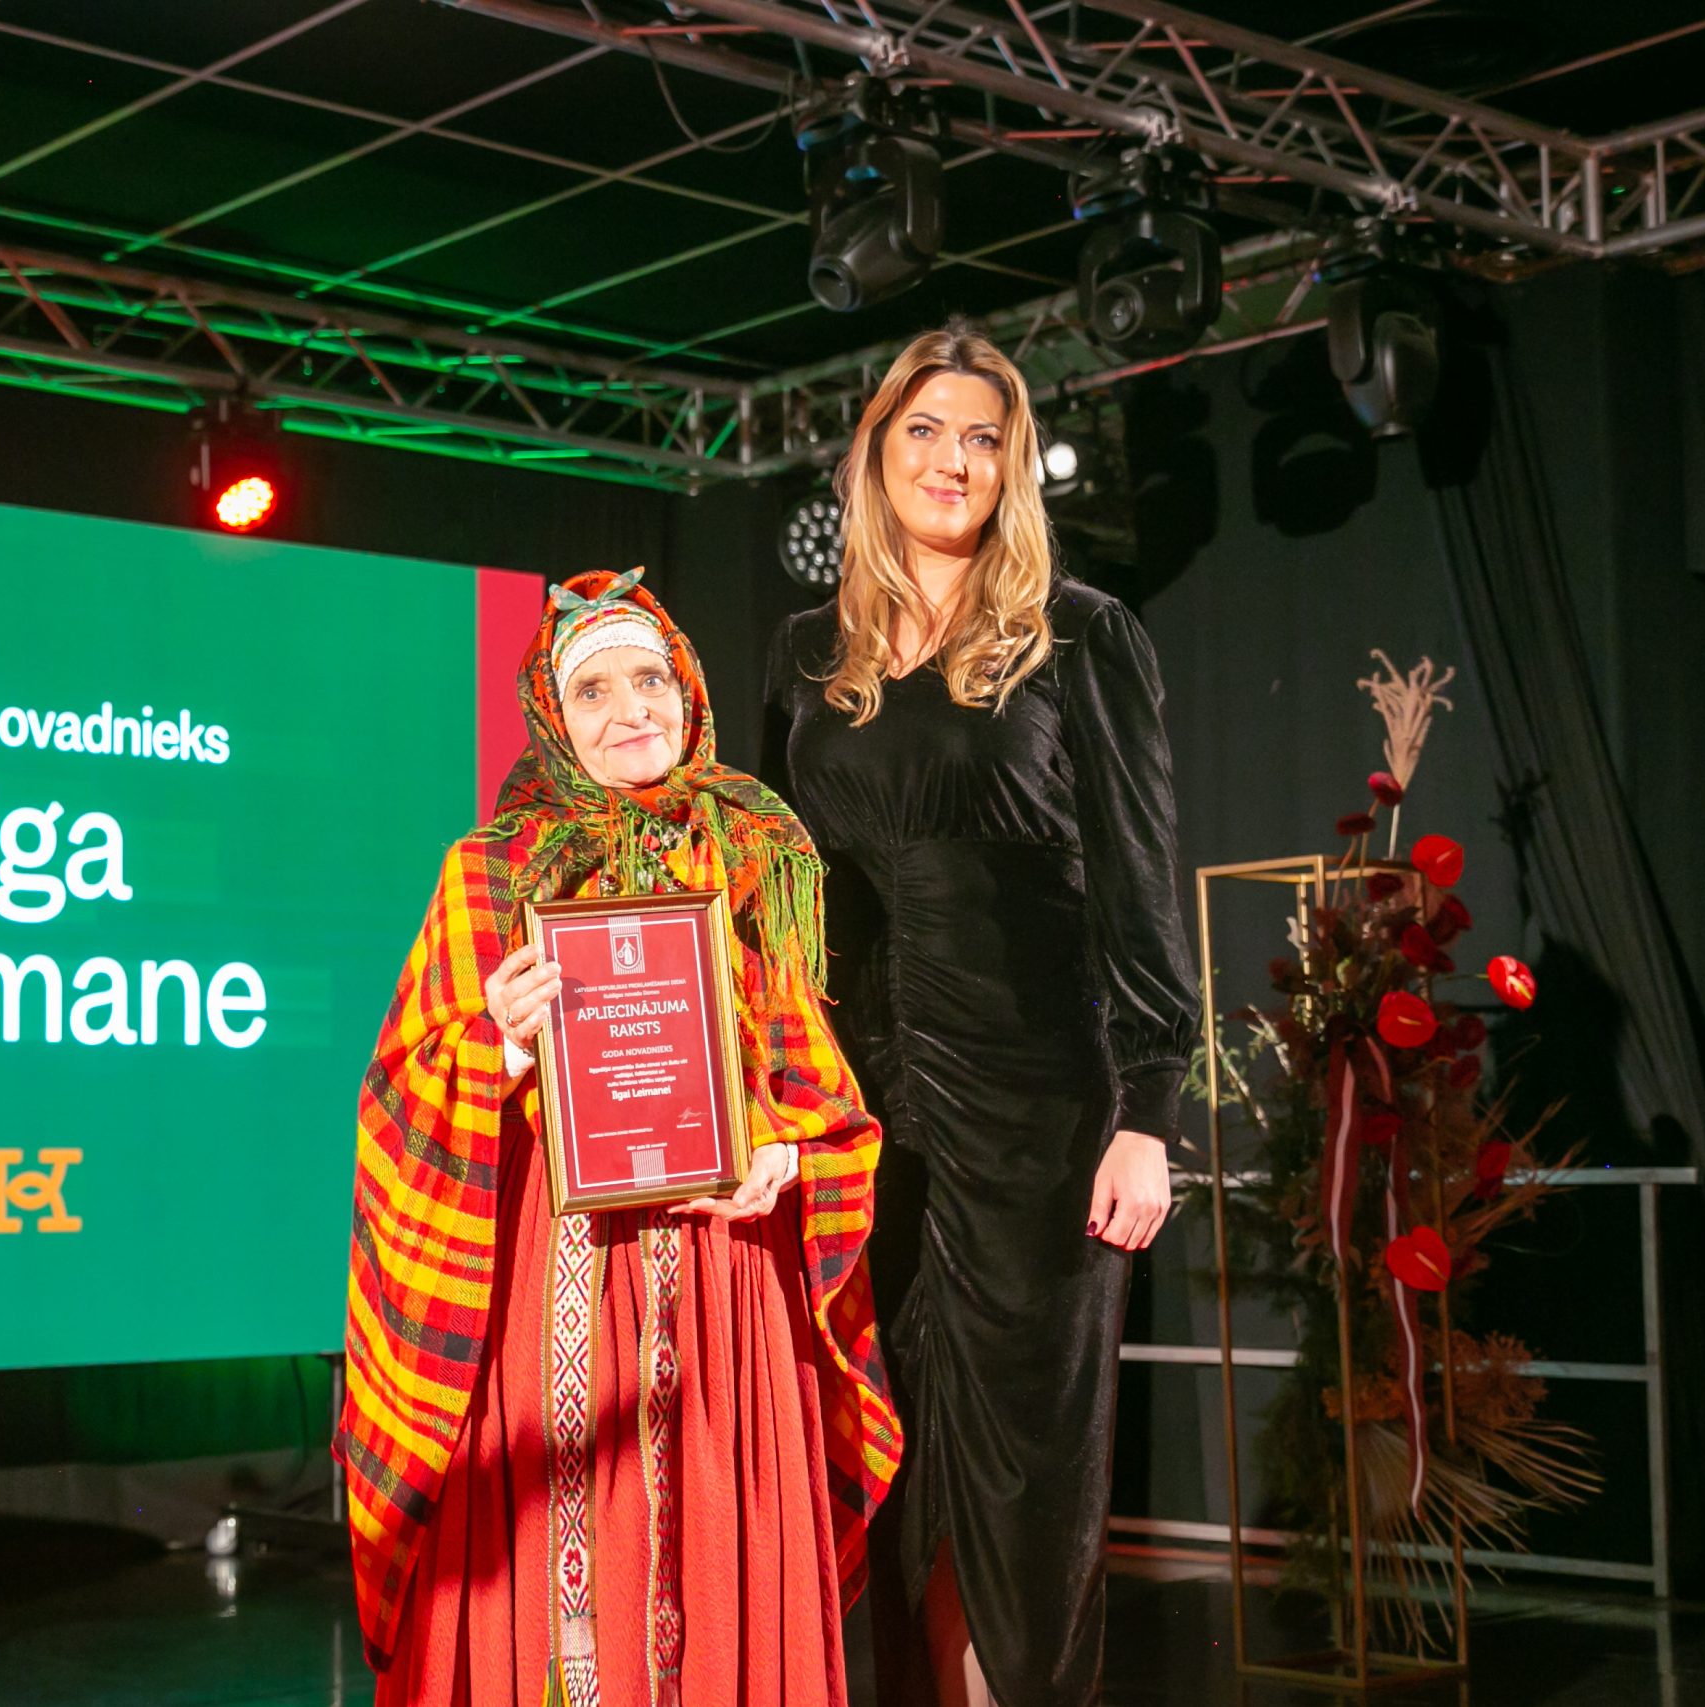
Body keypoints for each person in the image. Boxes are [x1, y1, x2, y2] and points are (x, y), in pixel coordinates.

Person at [340, 567, 901, 1707]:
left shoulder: (753, 859)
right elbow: (398, 1101)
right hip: (554, 1273)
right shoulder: (488, 873)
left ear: (689, 695)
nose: (630, 708)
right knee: (564, 1568)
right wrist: (499, 1042)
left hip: (722, 1277)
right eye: (591, 690)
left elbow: (818, 1092)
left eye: (651, 679)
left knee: (715, 1550)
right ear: (552, 720)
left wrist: (781, 1157)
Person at [759, 323, 1200, 1707]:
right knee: (884, 1463)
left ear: (1013, 468)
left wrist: (1150, 1113)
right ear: (873, 454)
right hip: (858, 1123)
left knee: (1026, 1485)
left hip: (1039, 1115)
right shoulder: (803, 654)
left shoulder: (1081, 634)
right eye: (925, 431)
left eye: (983, 437)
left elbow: (1137, 885)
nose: (952, 460)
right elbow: (764, 895)